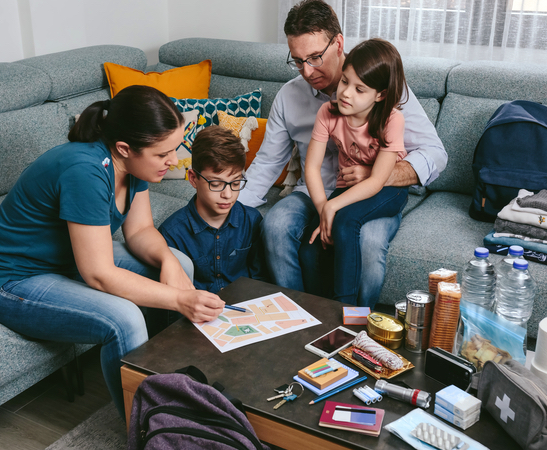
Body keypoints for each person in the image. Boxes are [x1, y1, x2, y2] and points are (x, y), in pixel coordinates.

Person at [0, 85, 225, 417]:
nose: (173, 161)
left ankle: (177, 383)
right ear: (124, 148)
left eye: (174, 150)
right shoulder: (85, 171)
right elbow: (99, 274)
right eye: (163, 154)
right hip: (9, 280)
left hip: (65, 262)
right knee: (124, 319)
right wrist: (179, 299)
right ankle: (145, 430)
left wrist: (166, 260)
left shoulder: (134, 166)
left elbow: (140, 231)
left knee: (179, 263)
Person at [237, 0, 447, 307]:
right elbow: (268, 162)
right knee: (276, 225)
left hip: (369, 192)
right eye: (297, 61)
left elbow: (435, 153)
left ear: (338, 43)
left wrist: (379, 174)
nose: (307, 71)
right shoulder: (290, 97)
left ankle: (355, 328)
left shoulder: (382, 87)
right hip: (314, 192)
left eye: (315, 58)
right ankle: (299, 318)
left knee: (369, 243)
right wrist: (228, 209)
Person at [306, 38, 409, 305]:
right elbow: (312, 168)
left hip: (388, 189)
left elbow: (376, 181)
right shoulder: (328, 112)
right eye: (344, 82)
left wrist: (334, 208)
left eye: (359, 89)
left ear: (380, 94)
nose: (346, 93)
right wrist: (322, 209)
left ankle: (347, 315)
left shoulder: (391, 120)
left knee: (346, 221)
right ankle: (321, 310)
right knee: (315, 241)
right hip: (348, 187)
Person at [159, 126, 267, 294]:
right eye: (216, 184)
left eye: (236, 183)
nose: (228, 194)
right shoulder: (171, 234)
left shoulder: (252, 221)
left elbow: (260, 279)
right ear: (193, 179)